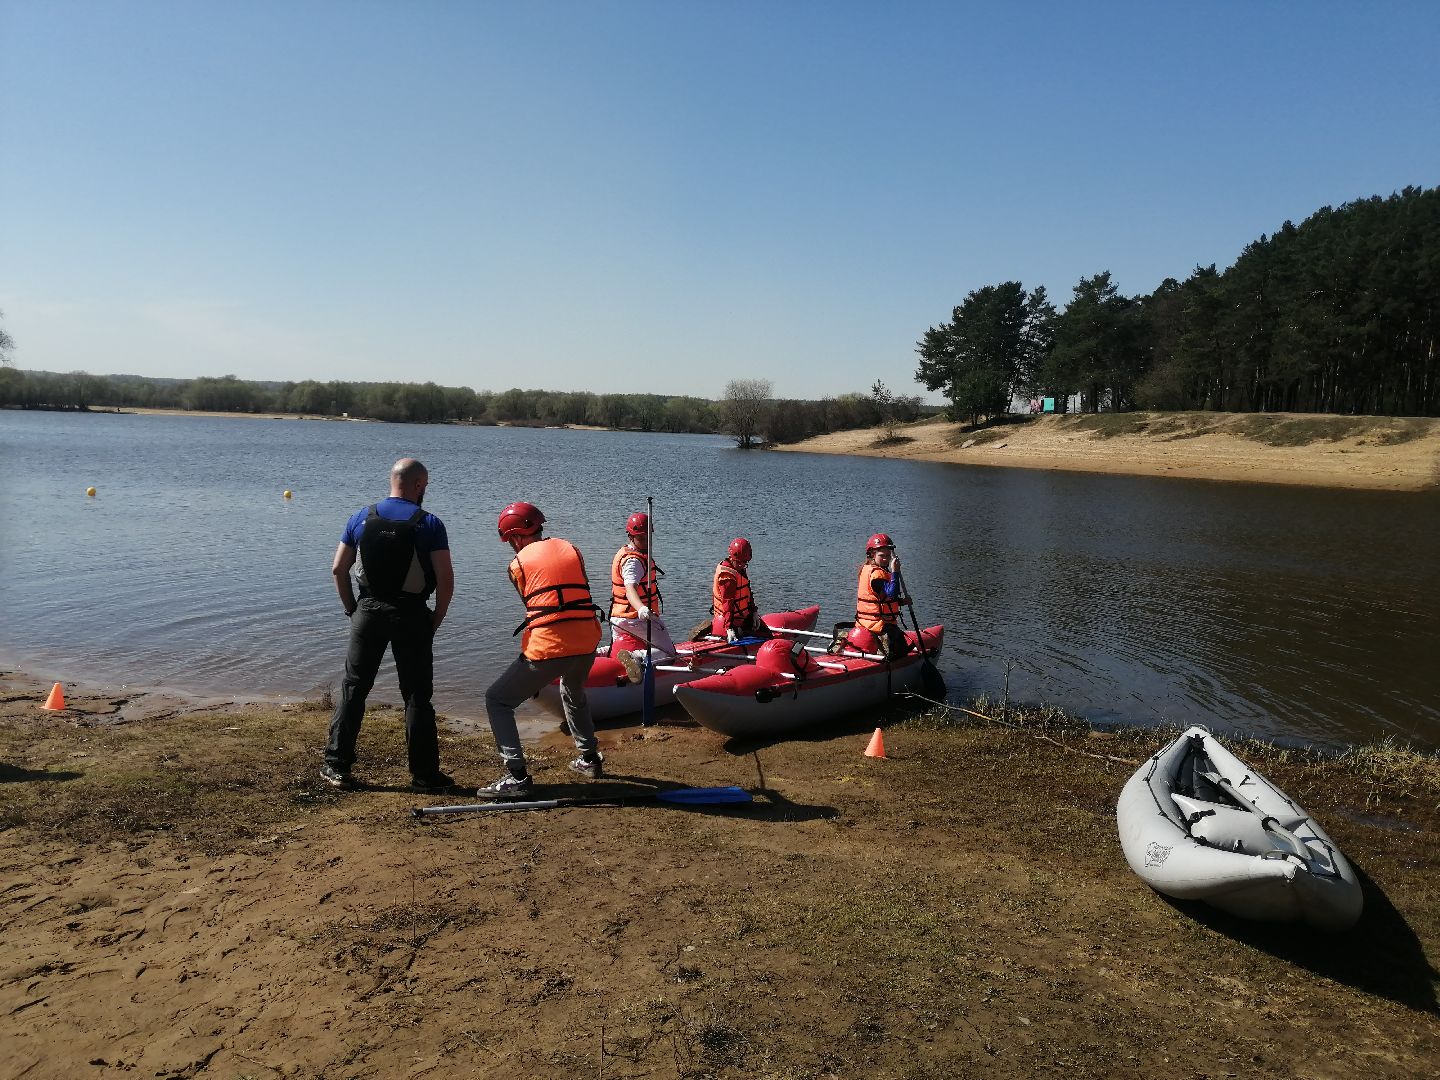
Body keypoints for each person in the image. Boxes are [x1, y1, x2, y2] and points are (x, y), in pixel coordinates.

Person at [322, 458, 456, 793]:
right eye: (424, 485)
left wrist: (352, 608)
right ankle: (424, 775)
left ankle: (337, 766)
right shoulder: (430, 524)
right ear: (418, 485)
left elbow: (339, 569)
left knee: (354, 688)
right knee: (416, 696)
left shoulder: (360, 517)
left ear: (391, 480)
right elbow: (445, 580)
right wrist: (435, 618)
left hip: (367, 611)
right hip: (411, 615)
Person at [482, 501, 605, 797]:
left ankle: (517, 777)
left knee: (497, 700)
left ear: (513, 537)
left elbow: (534, 607)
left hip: (551, 646)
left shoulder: (517, 565)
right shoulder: (571, 548)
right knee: (573, 690)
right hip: (588, 640)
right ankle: (589, 759)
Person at [609, 511, 676, 681]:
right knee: (669, 652)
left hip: (618, 619)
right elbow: (630, 589)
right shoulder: (634, 561)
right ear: (631, 537)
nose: (646, 542)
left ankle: (597, 654)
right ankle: (637, 657)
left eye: (648, 537)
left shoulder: (627, 553)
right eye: (641, 538)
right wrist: (642, 609)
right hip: (635, 619)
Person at [855, 532, 911, 657]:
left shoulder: (867, 568)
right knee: (902, 651)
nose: (886, 559)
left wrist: (901, 602)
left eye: (888, 555)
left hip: (863, 622)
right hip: (879, 625)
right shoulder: (876, 575)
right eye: (882, 556)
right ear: (872, 554)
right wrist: (895, 571)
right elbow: (891, 593)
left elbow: (880, 597)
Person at [710, 537, 770, 642]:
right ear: (732, 557)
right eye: (739, 562)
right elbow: (727, 603)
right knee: (757, 635)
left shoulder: (740, 568)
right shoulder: (727, 576)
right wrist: (728, 627)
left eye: (744, 562)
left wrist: (754, 611)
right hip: (728, 620)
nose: (741, 565)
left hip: (742, 617)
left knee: (766, 634)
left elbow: (747, 591)